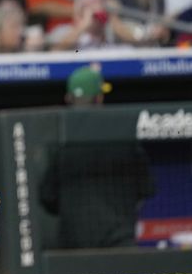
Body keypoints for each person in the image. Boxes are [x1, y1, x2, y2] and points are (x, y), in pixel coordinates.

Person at [40, 67, 155, 248]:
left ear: (69, 99)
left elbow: (47, 198)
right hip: (120, 243)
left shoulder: (61, 145)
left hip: (73, 249)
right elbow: (146, 190)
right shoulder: (123, 138)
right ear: (99, 98)